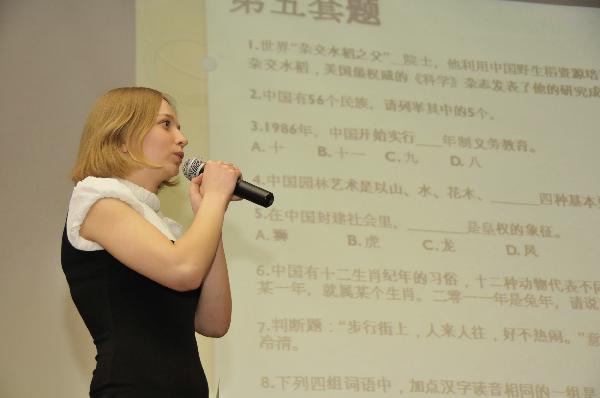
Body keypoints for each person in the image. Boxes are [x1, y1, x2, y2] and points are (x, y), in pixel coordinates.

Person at [61, 87, 241, 397]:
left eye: (179, 127)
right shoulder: (97, 200)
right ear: (121, 139)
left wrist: (210, 213)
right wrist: (214, 197)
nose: (182, 138)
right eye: (166, 124)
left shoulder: (161, 226)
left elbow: (214, 321)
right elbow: (184, 270)